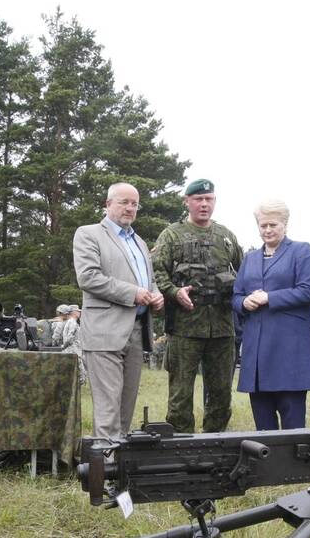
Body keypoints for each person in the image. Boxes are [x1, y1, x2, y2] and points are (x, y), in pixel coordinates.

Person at [73, 182, 163, 441]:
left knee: (126, 406)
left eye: (135, 204)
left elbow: (148, 280)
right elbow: (88, 277)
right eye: (124, 202)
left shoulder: (140, 242)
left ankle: (119, 465)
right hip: (104, 332)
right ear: (107, 204)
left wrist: (155, 294)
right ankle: (104, 468)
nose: (130, 208)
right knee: (108, 407)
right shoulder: (88, 234)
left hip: (135, 331)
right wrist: (133, 293)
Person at [152, 179, 243, 433]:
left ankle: (215, 443)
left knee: (221, 392)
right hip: (185, 327)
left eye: (209, 199)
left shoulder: (226, 237)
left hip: (222, 329)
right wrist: (173, 291)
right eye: (198, 199)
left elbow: (243, 272)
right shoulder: (171, 235)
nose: (204, 204)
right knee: (181, 394)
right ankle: (181, 445)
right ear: (187, 201)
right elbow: (158, 271)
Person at [231, 199, 310, 429]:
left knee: (292, 426)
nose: (268, 230)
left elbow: (309, 291)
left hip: (289, 351)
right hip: (257, 353)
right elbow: (236, 295)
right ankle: (267, 464)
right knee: (263, 426)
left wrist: (269, 298)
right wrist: (244, 302)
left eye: (273, 225)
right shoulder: (250, 258)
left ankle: (295, 464)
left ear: (285, 225)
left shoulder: (302, 251)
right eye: (263, 226)